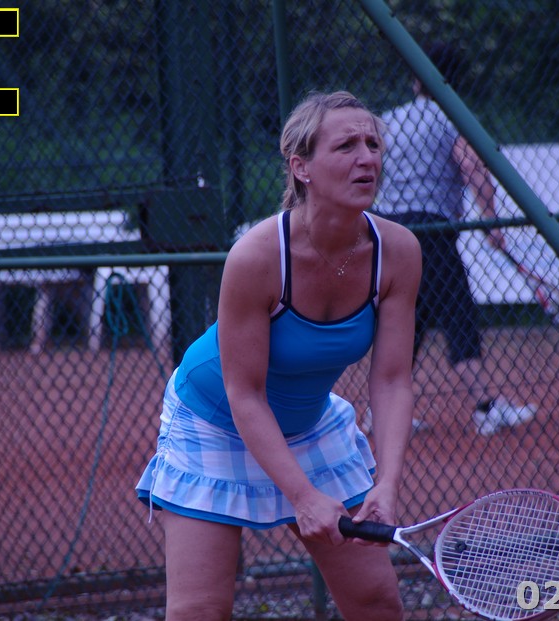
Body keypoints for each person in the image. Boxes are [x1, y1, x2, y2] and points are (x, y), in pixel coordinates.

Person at [136, 90, 422, 621]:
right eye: (346, 146)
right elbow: (244, 393)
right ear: (301, 167)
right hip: (214, 422)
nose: (366, 158)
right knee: (200, 611)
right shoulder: (257, 255)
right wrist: (303, 496)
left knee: (376, 602)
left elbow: (391, 380)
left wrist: (386, 484)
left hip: (309, 425)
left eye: (373, 144)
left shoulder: (398, 250)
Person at [372, 43, 536, 436]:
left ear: (417, 79)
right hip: (431, 228)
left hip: (389, 229)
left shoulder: (388, 121)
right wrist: (491, 221)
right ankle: (485, 408)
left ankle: (380, 413)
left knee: (408, 318)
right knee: (457, 310)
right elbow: (473, 166)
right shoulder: (450, 117)